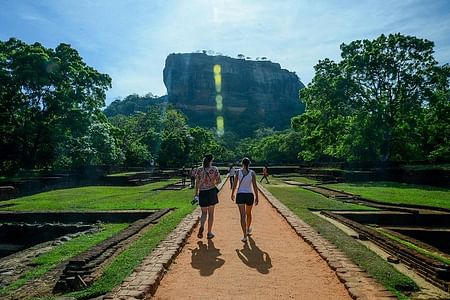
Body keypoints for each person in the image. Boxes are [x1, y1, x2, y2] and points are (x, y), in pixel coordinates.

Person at [231, 157, 259, 243]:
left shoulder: (238, 172)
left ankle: (244, 236)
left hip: (240, 195)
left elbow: (235, 184)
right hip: (249, 195)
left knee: (242, 216)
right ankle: (248, 229)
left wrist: (232, 194)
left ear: (242, 163)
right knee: (249, 214)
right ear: (249, 164)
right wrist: (257, 197)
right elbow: (254, 186)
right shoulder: (252, 173)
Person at [194, 154, 221, 239]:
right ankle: (209, 233)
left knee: (204, 213)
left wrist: (196, 193)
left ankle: (202, 226)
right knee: (211, 214)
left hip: (202, 192)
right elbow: (219, 180)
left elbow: (197, 182)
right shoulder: (214, 169)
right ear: (211, 161)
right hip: (211, 192)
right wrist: (213, 183)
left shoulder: (199, 170)